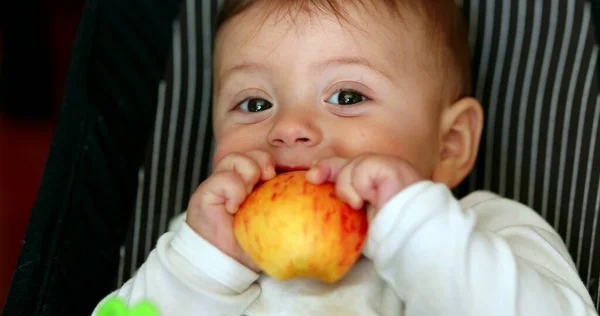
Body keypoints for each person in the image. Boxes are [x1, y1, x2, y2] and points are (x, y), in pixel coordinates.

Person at [93, 0, 598, 314]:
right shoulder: (207, 246)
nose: (288, 127)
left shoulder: (483, 233)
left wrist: (417, 232)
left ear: (450, 145)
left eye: (348, 97)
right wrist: (200, 268)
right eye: (254, 104)